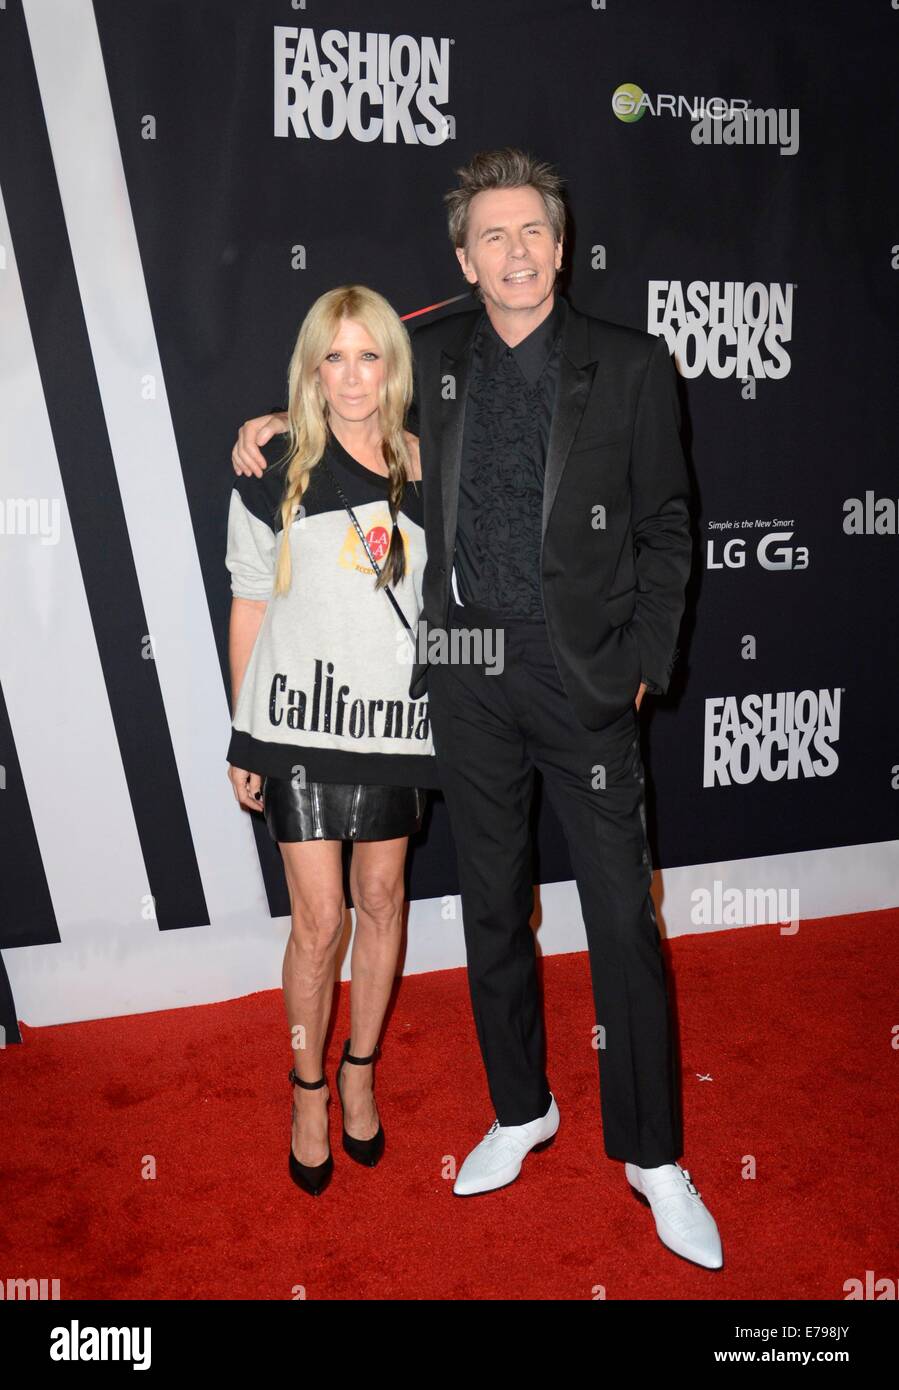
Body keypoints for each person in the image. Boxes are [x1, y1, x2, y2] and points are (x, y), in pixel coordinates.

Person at [230, 149, 722, 1269]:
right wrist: (272, 418)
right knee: (492, 906)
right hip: (461, 667)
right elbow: (345, 395)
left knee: (620, 925)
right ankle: (519, 1107)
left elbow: (667, 526)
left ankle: (653, 1157)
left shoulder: (631, 364)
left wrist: (642, 660)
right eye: (489, 237)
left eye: (530, 233)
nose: (512, 252)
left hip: (584, 675)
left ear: (562, 244)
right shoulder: (435, 358)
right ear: (463, 258)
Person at [226, 284, 440, 1198]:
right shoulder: (268, 463)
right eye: (335, 356)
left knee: (382, 901)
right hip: (296, 726)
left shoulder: (432, 466)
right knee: (320, 922)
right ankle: (307, 1088)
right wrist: (243, 730)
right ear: (313, 367)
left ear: (392, 365)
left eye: (370, 356)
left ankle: (360, 1069)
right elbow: (248, 601)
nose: (353, 376)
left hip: (395, 725)